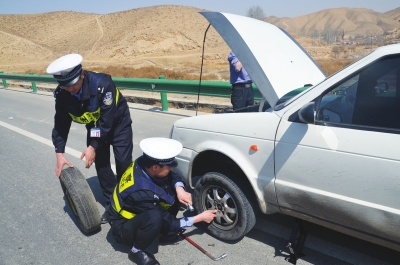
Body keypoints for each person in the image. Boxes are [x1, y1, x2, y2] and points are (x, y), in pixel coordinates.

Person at [47, 53, 133, 224]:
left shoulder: (103, 84)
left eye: (74, 84)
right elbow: (61, 124)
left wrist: (92, 146)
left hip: (117, 123)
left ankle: (128, 200)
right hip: (95, 127)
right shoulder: (63, 95)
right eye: (66, 86)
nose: (72, 89)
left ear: (82, 74)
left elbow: (107, 122)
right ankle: (112, 206)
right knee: (101, 165)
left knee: (123, 162)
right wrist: (59, 152)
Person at [108, 137, 217, 265]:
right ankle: (137, 251)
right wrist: (199, 218)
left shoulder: (144, 162)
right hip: (122, 227)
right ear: (155, 167)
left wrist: (180, 189)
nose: (171, 168)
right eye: (169, 166)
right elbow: (168, 222)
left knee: (170, 195)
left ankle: (159, 231)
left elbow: (172, 175)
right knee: (155, 217)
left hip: (139, 213)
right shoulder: (141, 194)